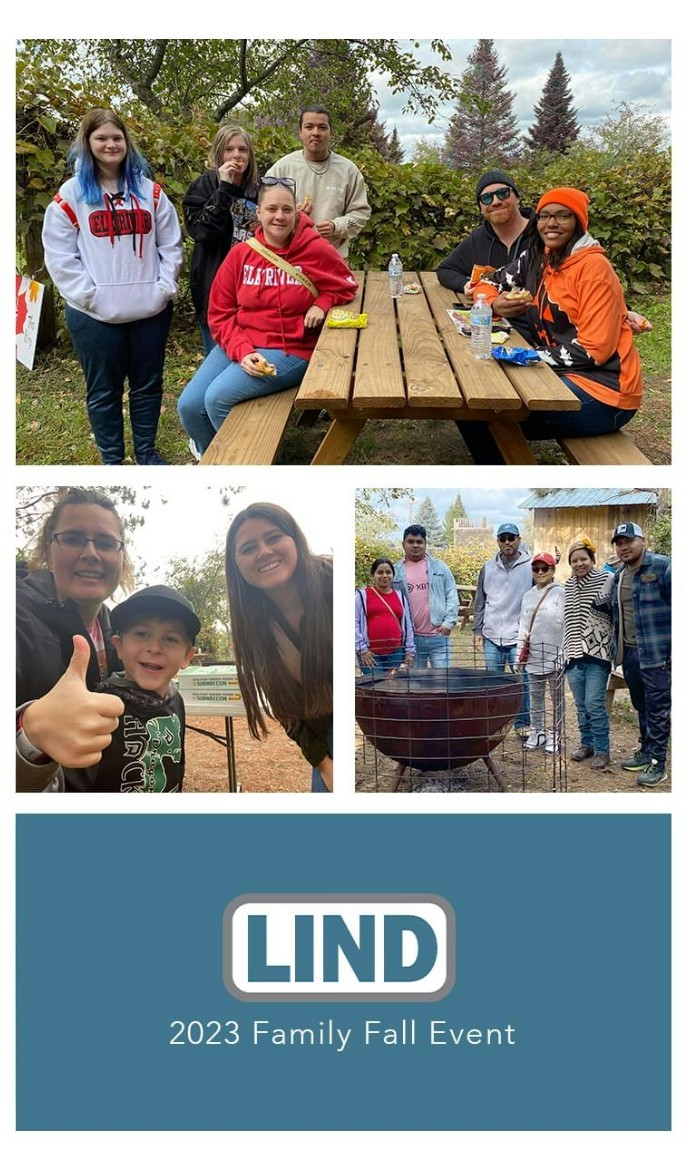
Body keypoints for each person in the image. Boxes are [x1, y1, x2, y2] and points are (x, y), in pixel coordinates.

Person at [458, 187, 644, 462]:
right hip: (557, 373)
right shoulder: (538, 256)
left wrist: (527, 357)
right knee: (475, 395)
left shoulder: (593, 269)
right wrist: (495, 304)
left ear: (579, 222)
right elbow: (486, 282)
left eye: (563, 216)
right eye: (544, 216)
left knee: (484, 412)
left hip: (605, 391)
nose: (551, 224)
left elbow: (593, 351)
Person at [42, 108, 183, 465]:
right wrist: (90, 297)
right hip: (94, 317)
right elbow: (59, 256)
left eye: (116, 137)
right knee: (103, 391)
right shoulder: (71, 196)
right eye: (101, 138)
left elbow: (170, 244)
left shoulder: (150, 193)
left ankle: (147, 453)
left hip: (150, 311)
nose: (110, 144)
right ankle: (112, 460)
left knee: (148, 387)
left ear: (126, 143)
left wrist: (164, 287)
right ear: (87, 144)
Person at [178, 177, 358, 456]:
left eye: (287, 210)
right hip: (241, 340)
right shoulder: (241, 255)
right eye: (271, 209)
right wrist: (242, 351)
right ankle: (212, 457)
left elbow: (346, 284)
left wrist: (321, 304)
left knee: (217, 398)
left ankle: (244, 461)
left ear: (297, 213)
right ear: (258, 213)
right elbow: (220, 313)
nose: (279, 216)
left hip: (289, 348)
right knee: (189, 406)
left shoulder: (315, 249)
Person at [16, 487, 135, 792]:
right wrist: (28, 739)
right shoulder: (16, 621)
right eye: (73, 539)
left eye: (107, 543)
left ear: (121, 557)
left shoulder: (115, 633)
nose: (91, 554)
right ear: (49, 551)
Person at [225, 503, 333, 792]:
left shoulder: (333, 580)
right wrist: (324, 764)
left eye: (273, 538)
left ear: (294, 539)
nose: (264, 551)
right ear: (236, 565)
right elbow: (287, 708)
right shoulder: (251, 624)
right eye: (248, 548)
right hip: (321, 737)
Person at [182, 124, 259, 355]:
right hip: (214, 286)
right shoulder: (202, 187)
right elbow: (202, 232)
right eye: (229, 149)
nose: (237, 155)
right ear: (218, 154)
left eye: (242, 149)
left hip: (252, 288)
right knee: (219, 356)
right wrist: (224, 188)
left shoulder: (259, 190)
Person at [610, 522, 671, 787]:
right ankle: (646, 751)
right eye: (619, 543)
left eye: (628, 541)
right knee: (641, 705)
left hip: (658, 654)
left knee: (658, 708)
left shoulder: (663, 567)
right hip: (631, 654)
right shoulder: (619, 575)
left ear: (642, 540)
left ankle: (658, 763)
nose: (624, 547)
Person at [265, 106, 371, 258]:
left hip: (333, 259)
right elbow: (266, 212)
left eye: (322, 127)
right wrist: (292, 216)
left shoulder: (348, 171)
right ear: (300, 133)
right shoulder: (281, 169)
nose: (315, 133)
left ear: (330, 133)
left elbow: (360, 215)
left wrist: (337, 226)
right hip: (289, 258)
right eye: (309, 127)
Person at [472, 523, 533, 735]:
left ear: (519, 538)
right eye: (502, 538)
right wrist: (477, 631)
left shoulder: (531, 566)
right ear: (498, 541)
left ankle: (522, 724)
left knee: (521, 682)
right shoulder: (488, 568)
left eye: (511, 537)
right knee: (492, 683)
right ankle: (494, 724)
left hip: (518, 637)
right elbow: (479, 602)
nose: (507, 542)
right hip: (491, 636)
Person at [437, 170, 533, 297]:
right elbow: (445, 270)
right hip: (490, 313)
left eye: (503, 193)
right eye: (486, 198)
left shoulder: (543, 231)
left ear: (517, 197)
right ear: (481, 209)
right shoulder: (479, 238)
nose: (496, 202)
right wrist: (465, 284)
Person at [563, 537, 614, 771]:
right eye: (574, 560)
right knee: (581, 705)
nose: (579, 563)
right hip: (573, 655)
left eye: (583, 558)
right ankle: (587, 744)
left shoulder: (607, 580)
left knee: (595, 704)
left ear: (592, 559)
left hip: (597, 655)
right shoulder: (568, 586)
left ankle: (603, 751)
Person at [517, 553, 564, 753]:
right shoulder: (528, 596)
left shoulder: (561, 593)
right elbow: (523, 626)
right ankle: (537, 731)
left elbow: (567, 625)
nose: (540, 572)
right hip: (534, 655)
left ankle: (556, 733)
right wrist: (520, 652)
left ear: (552, 570)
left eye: (545, 568)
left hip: (555, 655)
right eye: (536, 568)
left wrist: (564, 653)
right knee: (536, 698)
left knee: (557, 700)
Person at [392, 526, 458, 669]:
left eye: (419, 542)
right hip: (412, 638)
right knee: (416, 683)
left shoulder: (440, 568)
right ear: (403, 544)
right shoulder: (395, 571)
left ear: (425, 544)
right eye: (411, 542)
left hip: (438, 636)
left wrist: (448, 623)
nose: (415, 545)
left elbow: (452, 595)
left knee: (442, 681)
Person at [355, 558, 416, 671]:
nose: (384, 576)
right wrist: (362, 650)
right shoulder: (361, 596)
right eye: (380, 572)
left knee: (393, 686)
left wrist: (409, 651)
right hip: (371, 654)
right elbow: (354, 623)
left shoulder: (400, 597)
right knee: (374, 686)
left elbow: (408, 625)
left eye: (388, 572)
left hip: (396, 653)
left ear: (393, 575)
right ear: (372, 575)